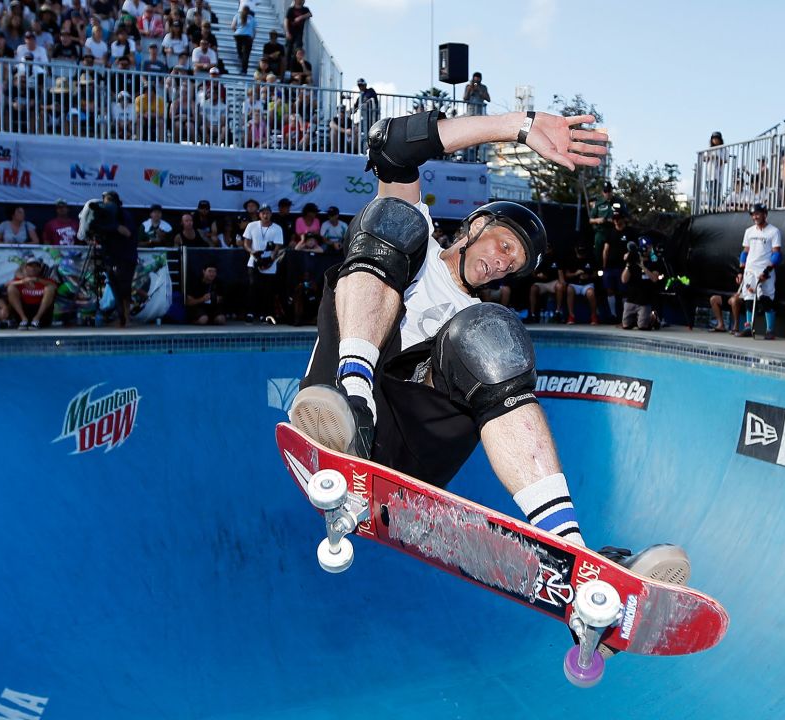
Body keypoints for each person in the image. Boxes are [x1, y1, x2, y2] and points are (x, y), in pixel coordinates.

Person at [286, 106, 688, 588]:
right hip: (335, 401)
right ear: (475, 225)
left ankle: (574, 556)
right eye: (502, 246)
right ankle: (354, 401)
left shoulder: (475, 324)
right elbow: (392, 146)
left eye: (513, 265)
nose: (503, 264)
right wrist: (518, 127)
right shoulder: (423, 244)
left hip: (408, 445)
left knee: (491, 332)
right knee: (393, 218)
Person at [81, 190, 137, 327]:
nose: (107, 204)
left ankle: (126, 318)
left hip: (125, 257)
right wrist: (112, 228)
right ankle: (122, 317)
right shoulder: (102, 215)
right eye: (106, 201)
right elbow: (91, 229)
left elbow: (127, 232)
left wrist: (115, 227)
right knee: (115, 288)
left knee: (124, 288)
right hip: (110, 256)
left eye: (110, 201)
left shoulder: (124, 215)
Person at [736, 203, 782, 340]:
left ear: (764, 214)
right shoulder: (748, 231)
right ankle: (748, 327)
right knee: (749, 299)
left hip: (765, 271)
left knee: (766, 299)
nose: (755, 216)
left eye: (757, 213)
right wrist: (740, 271)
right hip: (750, 271)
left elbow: (777, 254)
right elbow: (745, 252)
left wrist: (767, 272)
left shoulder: (774, 231)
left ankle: (770, 330)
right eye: (753, 214)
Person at [243, 204, 283, 323]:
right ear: (259, 214)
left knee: (267, 290)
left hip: (270, 262)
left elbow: (278, 246)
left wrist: (271, 259)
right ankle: (250, 313)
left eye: (267, 213)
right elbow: (246, 243)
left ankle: (264, 314)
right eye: (263, 213)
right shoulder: (251, 225)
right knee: (252, 287)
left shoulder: (277, 228)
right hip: (254, 261)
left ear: (271, 214)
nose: (265, 215)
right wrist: (253, 252)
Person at [601, 206, 634, 321]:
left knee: (624, 291)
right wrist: (604, 266)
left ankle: (625, 316)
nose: (616, 221)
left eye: (618, 218)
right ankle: (613, 315)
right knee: (609, 290)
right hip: (610, 267)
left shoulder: (630, 232)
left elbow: (633, 249)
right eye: (614, 218)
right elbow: (605, 250)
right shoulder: (610, 232)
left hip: (623, 267)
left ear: (623, 219)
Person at [7, 257, 57, 329]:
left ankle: (36, 319)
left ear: (40, 269)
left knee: (50, 288)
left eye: (36, 266)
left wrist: (36, 280)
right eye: (30, 266)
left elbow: (54, 286)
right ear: (26, 268)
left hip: (42, 314)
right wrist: (22, 281)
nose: (33, 268)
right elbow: (7, 284)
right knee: (11, 288)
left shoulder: (46, 280)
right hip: (24, 312)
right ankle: (23, 319)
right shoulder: (20, 279)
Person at [620, 243, 659, 331]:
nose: (650, 250)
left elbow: (654, 279)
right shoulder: (632, 263)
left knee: (642, 327)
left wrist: (643, 266)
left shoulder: (652, 263)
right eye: (648, 248)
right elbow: (624, 280)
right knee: (626, 326)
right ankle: (635, 319)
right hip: (631, 299)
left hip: (644, 301)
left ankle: (653, 317)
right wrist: (628, 264)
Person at [563, 243, 600, 325]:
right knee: (569, 289)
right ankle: (571, 316)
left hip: (587, 284)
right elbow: (567, 274)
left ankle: (594, 316)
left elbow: (596, 274)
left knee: (591, 293)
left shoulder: (590, 259)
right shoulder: (571, 259)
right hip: (575, 284)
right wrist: (575, 274)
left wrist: (588, 276)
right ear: (576, 250)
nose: (581, 253)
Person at [527, 252, 565, 323]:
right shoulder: (540, 259)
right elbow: (533, 273)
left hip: (553, 283)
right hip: (542, 283)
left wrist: (563, 284)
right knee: (533, 288)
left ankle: (558, 312)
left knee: (560, 286)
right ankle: (532, 314)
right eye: (547, 248)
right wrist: (539, 276)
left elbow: (561, 277)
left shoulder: (556, 259)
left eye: (549, 248)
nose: (548, 250)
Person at [588, 181, 620, 262]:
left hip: (614, 231)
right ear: (603, 192)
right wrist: (598, 220)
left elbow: (626, 217)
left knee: (613, 253)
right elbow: (591, 220)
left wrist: (614, 220)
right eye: (605, 191)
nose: (607, 193)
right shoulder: (598, 203)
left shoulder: (618, 202)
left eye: (609, 191)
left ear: (612, 191)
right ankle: (598, 270)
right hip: (601, 232)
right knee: (598, 253)